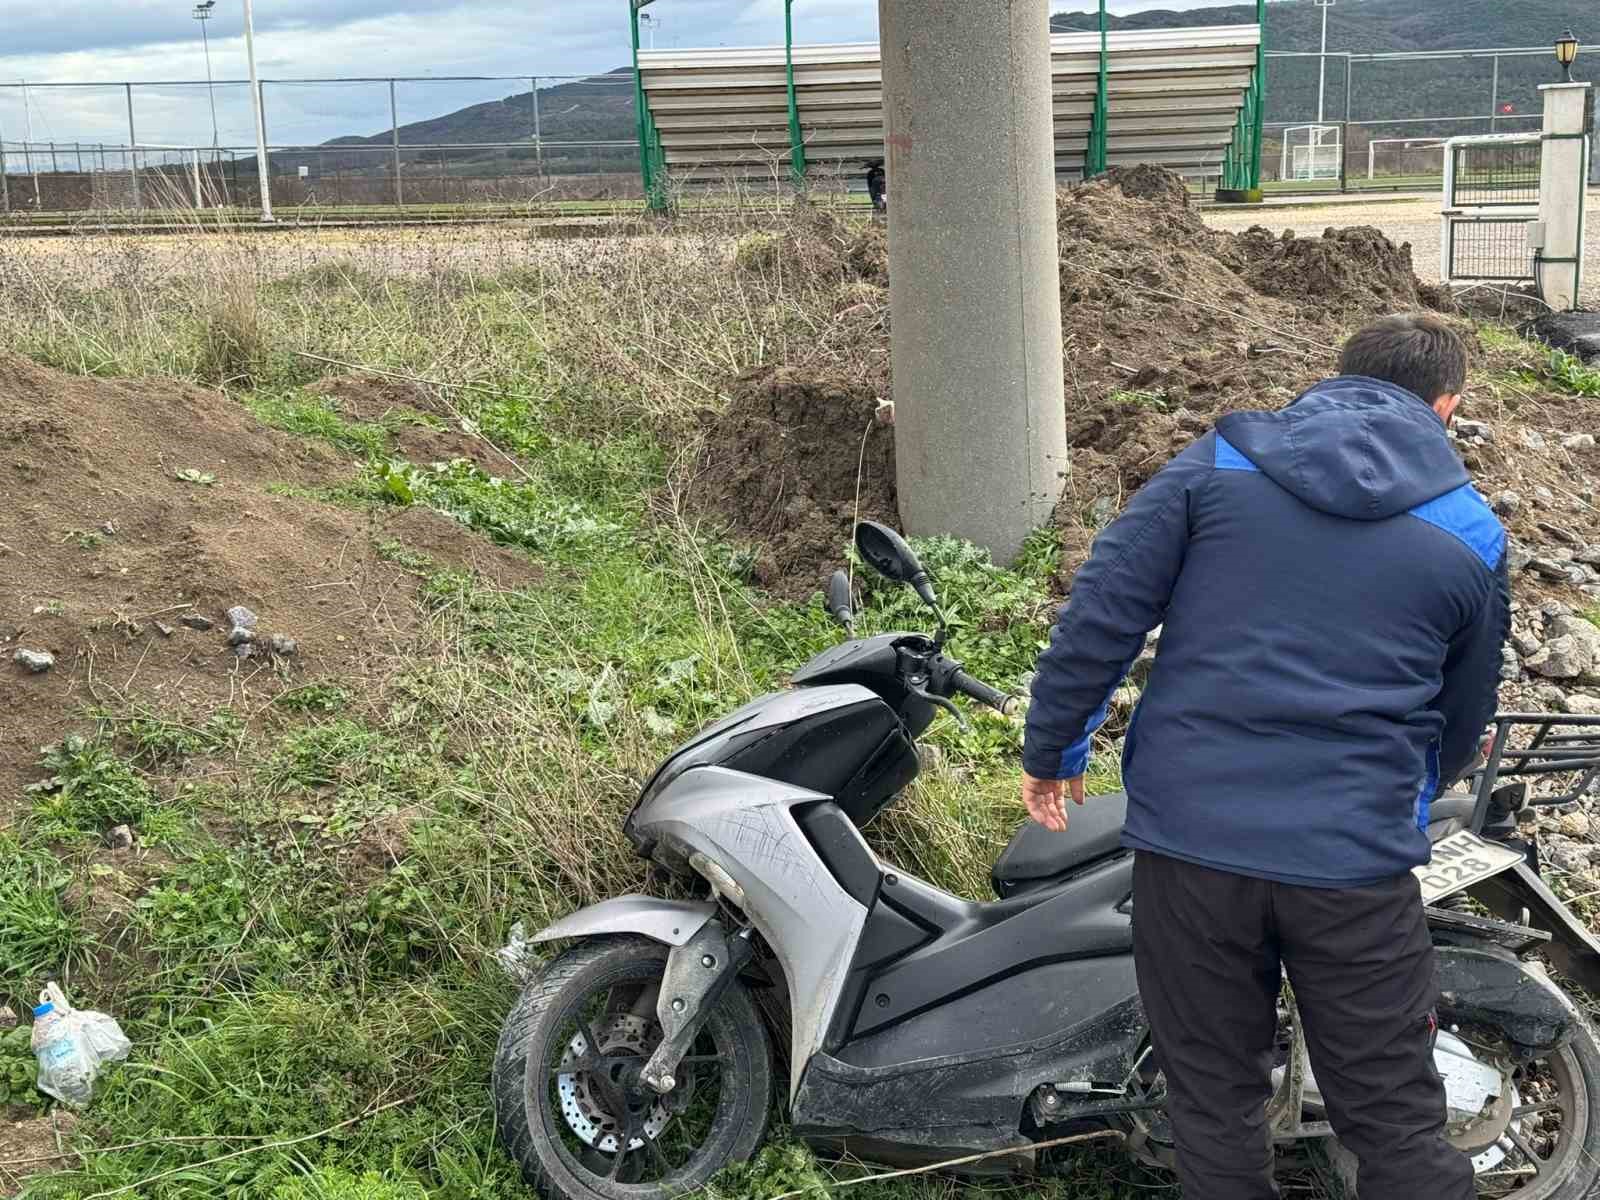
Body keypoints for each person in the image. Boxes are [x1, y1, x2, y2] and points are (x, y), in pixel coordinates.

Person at [1021, 314, 1506, 1200]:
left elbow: (1104, 608)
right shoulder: (1469, 530)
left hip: (1193, 844)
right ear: (1446, 406)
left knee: (1213, 1099)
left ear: (1337, 375)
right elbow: (1465, 707)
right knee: (1393, 1115)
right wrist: (1410, 794)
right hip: (1354, 862)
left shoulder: (1218, 464)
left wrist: (1055, 746)